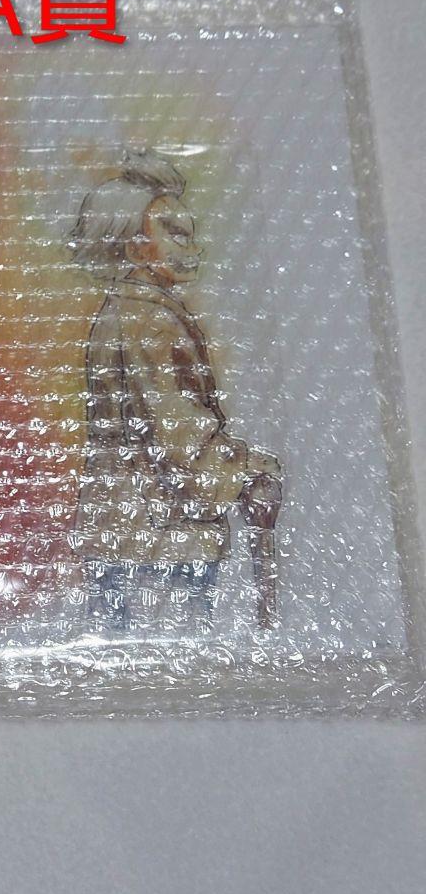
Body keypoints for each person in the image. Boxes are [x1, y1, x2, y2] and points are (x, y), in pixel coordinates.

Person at [67, 150, 280, 630]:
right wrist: (246, 468)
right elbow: (178, 438)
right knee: (174, 654)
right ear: (134, 245)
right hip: (159, 537)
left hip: (121, 531)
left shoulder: (122, 311)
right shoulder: (151, 322)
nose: (193, 247)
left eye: (190, 233)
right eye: (176, 234)